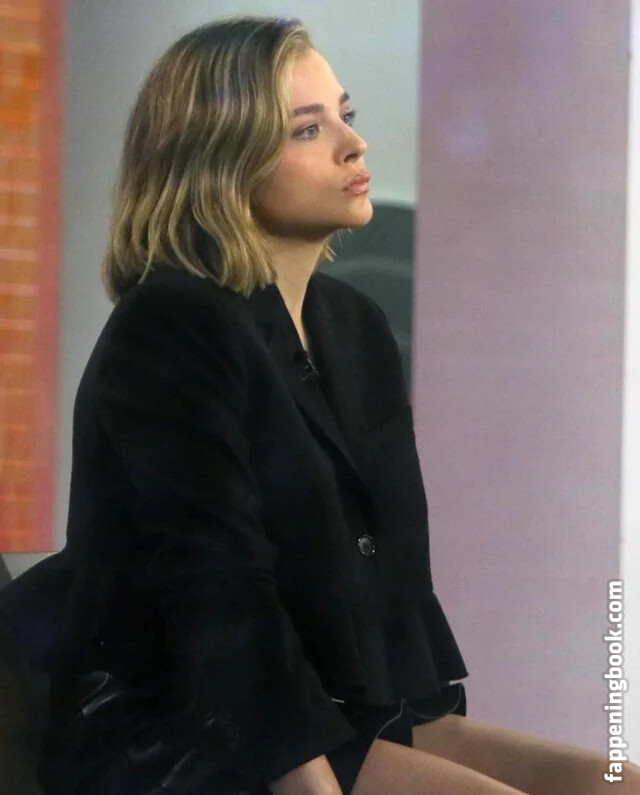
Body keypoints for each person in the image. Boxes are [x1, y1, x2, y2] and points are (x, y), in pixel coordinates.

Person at [7, 13, 636, 795]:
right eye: (308, 129)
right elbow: (219, 600)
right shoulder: (171, 324)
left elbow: (394, 579)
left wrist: (429, 726)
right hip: (181, 737)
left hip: (336, 718)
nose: (353, 145)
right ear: (221, 162)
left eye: (346, 115)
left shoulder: (355, 326)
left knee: (617, 781)